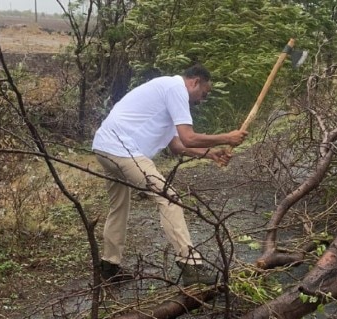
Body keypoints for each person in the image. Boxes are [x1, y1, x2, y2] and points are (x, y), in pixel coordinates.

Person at [92, 64, 247, 285]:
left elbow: (177, 145)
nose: (202, 99)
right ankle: (191, 266)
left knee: (119, 206)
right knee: (169, 199)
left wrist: (211, 154)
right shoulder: (176, 89)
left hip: (104, 147)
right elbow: (189, 138)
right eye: (204, 93)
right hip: (123, 150)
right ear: (194, 82)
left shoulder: (168, 90)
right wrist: (227, 137)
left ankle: (109, 266)